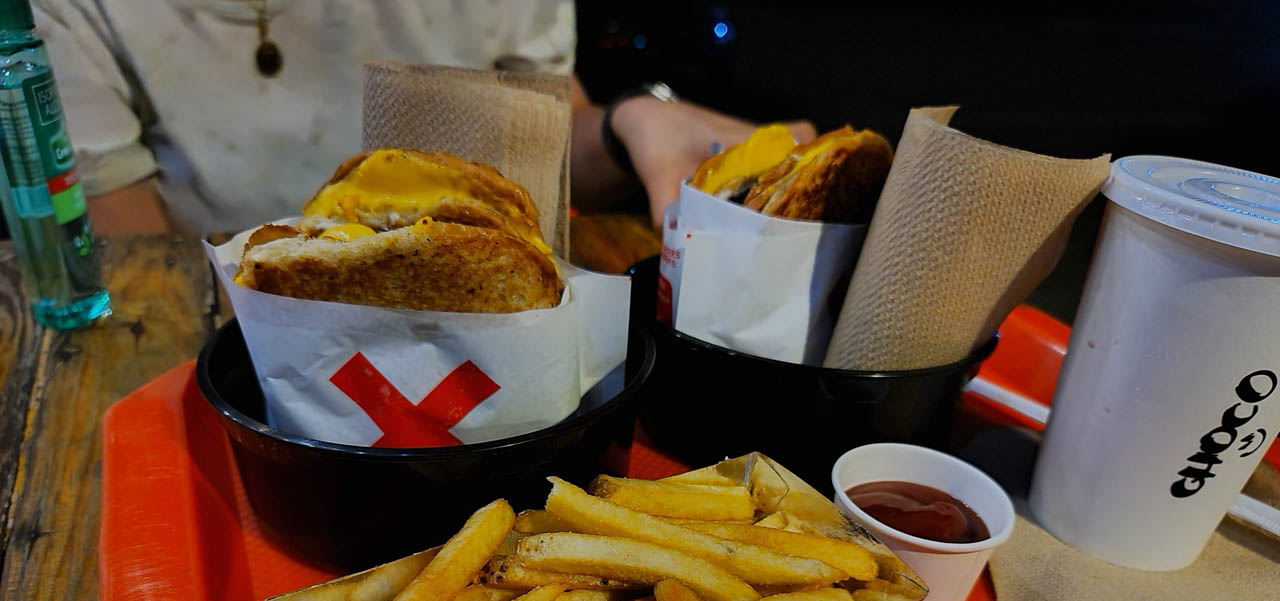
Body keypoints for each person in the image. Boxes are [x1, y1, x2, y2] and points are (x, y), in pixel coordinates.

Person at [33, 0, 812, 236]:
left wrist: (625, 123)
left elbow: (542, 139)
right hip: (226, 338)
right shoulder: (66, 14)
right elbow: (133, 261)